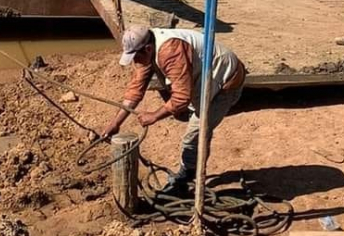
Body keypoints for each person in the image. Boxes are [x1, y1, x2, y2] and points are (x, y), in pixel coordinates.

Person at [101, 24, 246, 197]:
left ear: (147, 49)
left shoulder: (170, 51)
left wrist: (154, 116)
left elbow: (181, 98)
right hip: (202, 79)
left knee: (193, 136)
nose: (135, 62)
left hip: (225, 82)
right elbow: (136, 89)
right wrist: (116, 123)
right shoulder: (148, 48)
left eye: (135, 57)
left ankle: (187, 179)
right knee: (190, 122)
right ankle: (191, 172)